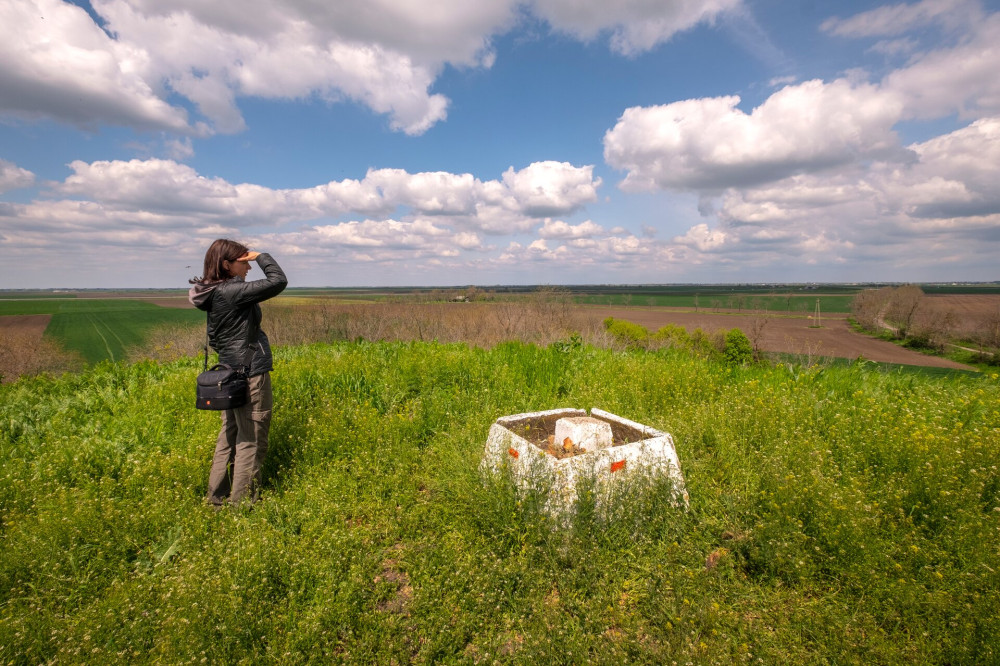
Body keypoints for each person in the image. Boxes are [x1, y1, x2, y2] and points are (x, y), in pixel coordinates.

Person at [188, 239, 287, 506]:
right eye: (244, 261)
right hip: (250, 373)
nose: (249, 266)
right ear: (227, 264)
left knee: (229, 437)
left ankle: (216, 499)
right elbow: (278, 280)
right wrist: (262, 255)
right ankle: (242, 505)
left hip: (229, 373)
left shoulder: (213, 292)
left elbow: (216, 338)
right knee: (251, 439)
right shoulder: (233, 290)